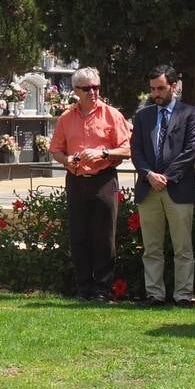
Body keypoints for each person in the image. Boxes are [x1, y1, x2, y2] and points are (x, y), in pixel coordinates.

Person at [48, 66, 132, 301]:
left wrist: (103, 154)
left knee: (104, 237)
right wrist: (67, 160)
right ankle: (83, 288)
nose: (93, 92)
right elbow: (55, 150)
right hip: (76, 180)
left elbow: (126, 149)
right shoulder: (66, 118)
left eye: (96, 87)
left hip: (103, 180)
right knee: (79, 236)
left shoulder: (112, 115)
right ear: (76, 91)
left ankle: (102, 290)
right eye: (87, 88)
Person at [130, 65, 195, 306]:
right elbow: (136, 150)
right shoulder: (143, 116)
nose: (156, 94)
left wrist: (166, 177)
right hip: (148, 189)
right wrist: (150, 175)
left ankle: (183, 295)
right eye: (152, 89)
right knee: (151, 247)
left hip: (178, 189)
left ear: (174, 86)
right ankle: (155, 294)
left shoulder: (190, 114)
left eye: (161, 88)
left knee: (183, 247)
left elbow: (191, 150)